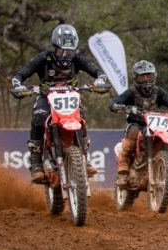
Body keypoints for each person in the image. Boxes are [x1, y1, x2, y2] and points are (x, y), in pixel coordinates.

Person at [10, 24, 109, 183]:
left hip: (70, 97)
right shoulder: (43, 58)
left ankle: (84, 157)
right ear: (54, 47)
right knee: (38, 118)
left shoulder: (77, 59)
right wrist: (17, 85)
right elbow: (20, 74)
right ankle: (36, 164)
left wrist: (100, 81)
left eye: (69, 52)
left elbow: (98, 72)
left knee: (81, 118)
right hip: (46, 97)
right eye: (61, 51)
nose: (65, 55)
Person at [109, 60, 168, 187]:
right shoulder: (131, 92)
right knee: (133, 133)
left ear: (154, 76)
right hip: (136, 124)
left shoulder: (159, 92)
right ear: (136, 78)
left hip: (155, 126)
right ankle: (123, 167)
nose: (146, 80)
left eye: (149, 76)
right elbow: (115, 102)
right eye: (142, 77)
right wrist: (117, 106)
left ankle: (161, 162)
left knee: (164, 137)